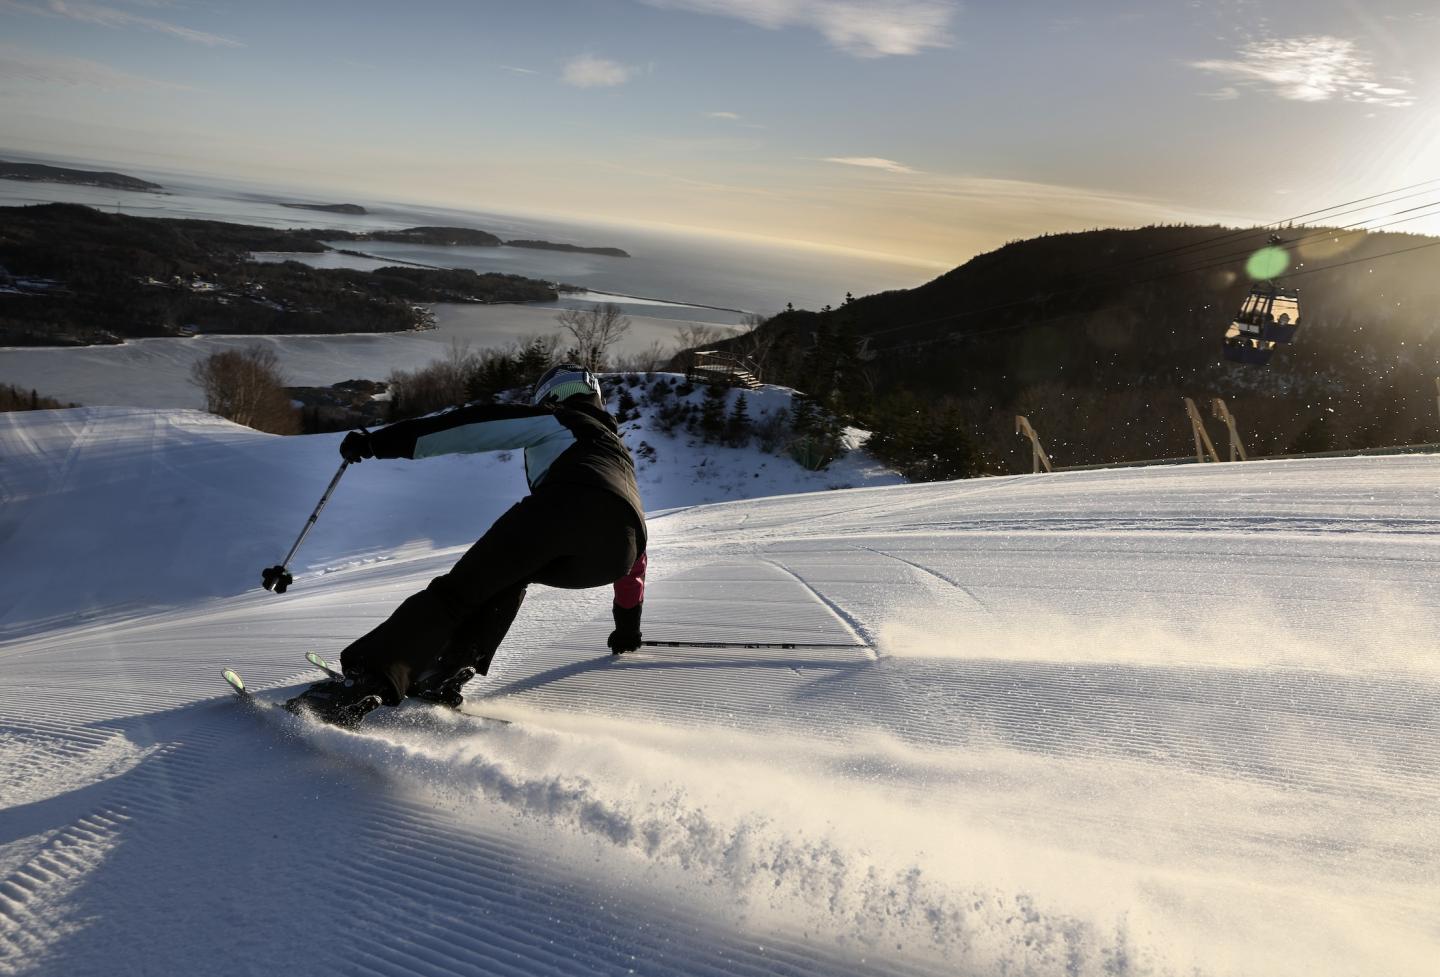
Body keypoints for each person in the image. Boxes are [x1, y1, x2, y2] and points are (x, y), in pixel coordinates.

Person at [286, 364, 648, 727]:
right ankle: (444, 672)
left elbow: (472, 428)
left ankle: (363, 684)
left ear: (551, 395)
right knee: (506, 579)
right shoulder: (618, 457)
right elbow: (635, 563)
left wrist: (377, 442)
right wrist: (627, 628)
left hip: (566, 506)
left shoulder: (562, 421)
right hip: (618, 549)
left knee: (454, 595)